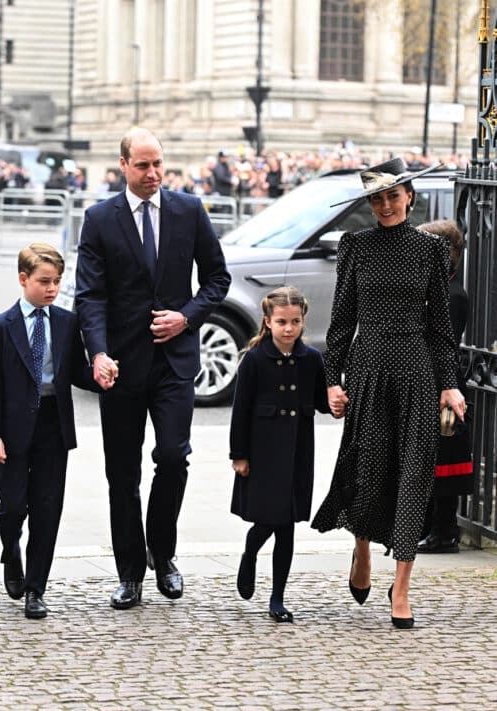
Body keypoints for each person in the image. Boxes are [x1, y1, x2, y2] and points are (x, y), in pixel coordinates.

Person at [75, 127, 231, 610]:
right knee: (122, 474)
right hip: (119, 364)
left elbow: (217, 278)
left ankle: (162, 555)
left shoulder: (188, 211)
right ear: (123, 165)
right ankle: (129, 573)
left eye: (158, 163)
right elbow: (90, 295)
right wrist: (98, 353)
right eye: (142, 165)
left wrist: (187, 315)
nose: (153, 174)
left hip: (174, 362)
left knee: (172, 456)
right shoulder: (100, 219)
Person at [311, 158, 467, 629]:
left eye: (392, 196)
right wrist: (333, 381)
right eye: (376, 198)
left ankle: (401, 586)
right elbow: (341, 321)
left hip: (417, 369)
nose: (384, 205)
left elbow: (440, 327)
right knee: (368, 467)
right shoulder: (355, 247)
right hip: (369, 368)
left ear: (409, 198)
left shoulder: (430, 250)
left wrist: (450, 384)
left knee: (415, 474)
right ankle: (361, 547)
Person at [0, 243, 114, 619]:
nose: (52, 288)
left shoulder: (66, 322)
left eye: (57, 281)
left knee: (46, 509)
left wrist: (100, 376)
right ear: (23, 279)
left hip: (53, 424)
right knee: (11, 506)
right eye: (44, 281)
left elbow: (75, 373)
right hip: (12, 428)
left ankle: (36, 588)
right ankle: (11, 553)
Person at [230, 286, 329, 623]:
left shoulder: (312, 359)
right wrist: (239, 455)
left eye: (296, 321)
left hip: (298, 453)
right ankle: (250, 552)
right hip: (263, 453)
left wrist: (336, 403)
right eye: (282, 321)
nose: (289, 328)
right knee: (267, 521)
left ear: (303, 321)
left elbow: (320, 401)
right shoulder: (255, 359)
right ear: (268, 321)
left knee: (286, 526)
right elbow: (240, 410)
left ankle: (278, 598)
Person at [417, 220, 473, 554]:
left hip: (443, 385)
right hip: (428, 382)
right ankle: (427, 528)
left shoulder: (453, 295)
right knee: (429, 462)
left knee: (444, 463)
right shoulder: (436, 288)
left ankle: (444, 532)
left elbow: (443, 346)